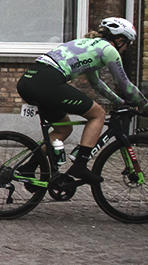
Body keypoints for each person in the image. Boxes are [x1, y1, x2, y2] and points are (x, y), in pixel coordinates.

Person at [16, 16, 148, 187]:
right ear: (120, 39)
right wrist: (145, 105)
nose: (124, 49)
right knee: (98, 114)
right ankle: (80, 165)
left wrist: (120, 102)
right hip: (47, 81)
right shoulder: (109, 50)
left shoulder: (89, 46)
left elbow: (97, 84)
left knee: (63, 130)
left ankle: (28, 167)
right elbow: (125, 84)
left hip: (28, 80)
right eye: (127, 44)